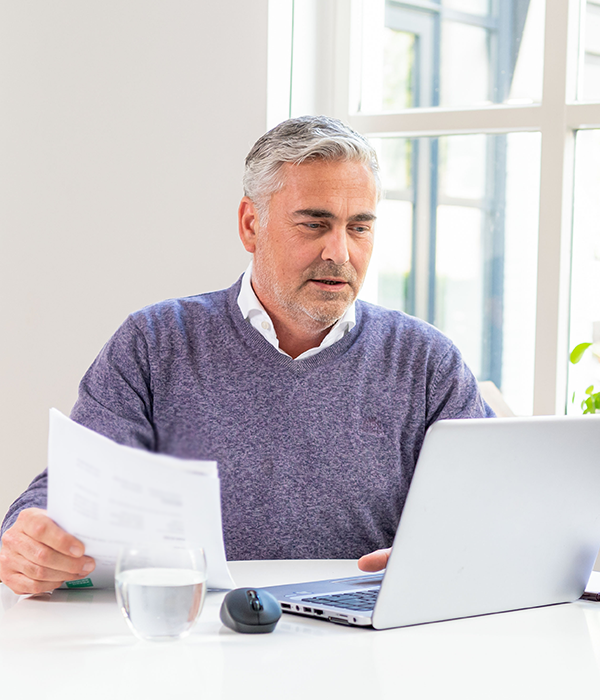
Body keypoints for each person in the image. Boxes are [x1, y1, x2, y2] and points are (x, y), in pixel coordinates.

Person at [0, 115, 494, 595]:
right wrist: (29, 538)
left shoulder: (425, 362)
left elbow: (494, 505)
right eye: (314, 224)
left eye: (359, 228)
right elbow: (68, 493)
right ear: (250, 224)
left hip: (366, 640)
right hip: (194, 639)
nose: (340, 253)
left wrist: (451, 555)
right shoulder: (156, 343)